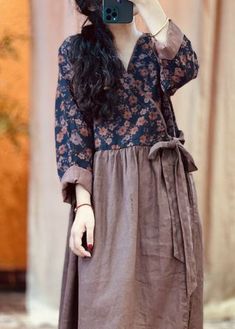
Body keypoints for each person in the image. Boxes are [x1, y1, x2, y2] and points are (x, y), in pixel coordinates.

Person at [54, 0, 204, 328]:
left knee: (163, 296)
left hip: (161, 190)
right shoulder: (75, 52)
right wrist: (83, 206)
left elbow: (187, 67)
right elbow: (72, 131)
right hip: (106, 192)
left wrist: (150, 5)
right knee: (107, 298)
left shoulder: (157, 49)